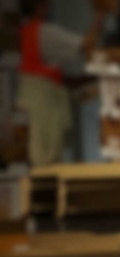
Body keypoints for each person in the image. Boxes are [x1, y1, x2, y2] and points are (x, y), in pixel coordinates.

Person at [16, 0, 109, 166]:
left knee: (39, 154)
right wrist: (100, 15)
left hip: (32, 101)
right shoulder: (45, 32)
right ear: (39, 6)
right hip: (44, 107)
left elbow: (46, 73)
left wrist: (85, 80)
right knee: (47, 158)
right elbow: (87, 43)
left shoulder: (25, 32)